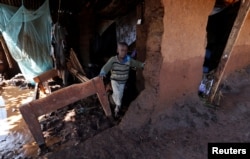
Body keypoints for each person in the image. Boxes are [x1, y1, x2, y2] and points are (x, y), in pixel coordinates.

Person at [99, 42, 145, 117]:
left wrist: (142, 65)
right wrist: (102, 73)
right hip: (115, 81)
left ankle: (119, 109)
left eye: (125, 50)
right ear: (118, 50)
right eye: (122, 50)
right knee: (117, 96)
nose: (123, 52)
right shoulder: (113, 60)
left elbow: (136, 63)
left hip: (124, 82)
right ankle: (111, 102)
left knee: (123, 96)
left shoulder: (128, 59)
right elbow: (106, 67)